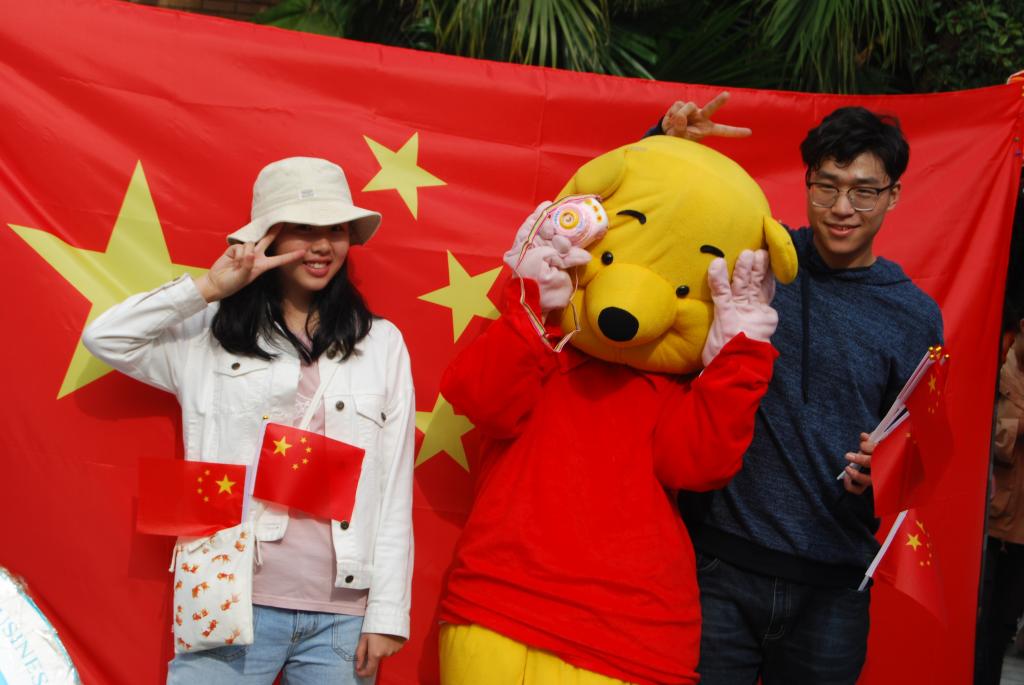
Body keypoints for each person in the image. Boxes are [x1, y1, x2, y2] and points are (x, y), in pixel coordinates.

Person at [82, 157, 415, 684]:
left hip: (342, 618)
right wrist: (208, 288)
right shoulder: (208, 333)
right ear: (267, 235)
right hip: (226, 595)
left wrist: (387, 613)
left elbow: (393, 483)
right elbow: (106, 337)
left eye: (335, 229)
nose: (322, 245)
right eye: (303, 228)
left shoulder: (382, 343)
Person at [655, 96, 944, 684]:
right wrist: (665, 143)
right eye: (826, 186)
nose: (841, 208)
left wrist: (883, 470)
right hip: (718, 567)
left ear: (893, 195)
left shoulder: (916, 317)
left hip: (833, 589)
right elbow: (654, 220)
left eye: (863, 191)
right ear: (807, 182)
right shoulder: (758, 262)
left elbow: (923, 453)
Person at [975, 303, 1024, 685]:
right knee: (984, 623)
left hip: (1021, 527)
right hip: (992, 524)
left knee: (1007, 624)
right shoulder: (997, 371)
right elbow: (987, 440)